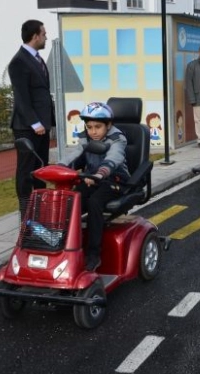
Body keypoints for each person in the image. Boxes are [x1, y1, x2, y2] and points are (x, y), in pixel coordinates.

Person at [57, 102, 131, 271]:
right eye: (89, 127)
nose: (93, 132)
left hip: (115, 180)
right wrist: (59, 166)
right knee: (72, 201)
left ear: (109, 125)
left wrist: (99, 174)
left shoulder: (118, 138)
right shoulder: (86, 136)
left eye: (98, 127)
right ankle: (63, 248)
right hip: (92, 178)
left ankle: (94, 254)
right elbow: (75, 153)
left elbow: (114, 156)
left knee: (95, 202)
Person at [8, 19, 55, 218]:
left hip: (41, 126)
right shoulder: (19, 62)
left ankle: (40, 207)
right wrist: (34, 123)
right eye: (43, 34)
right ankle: (25, 209)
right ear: (35, 36)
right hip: (28, 127)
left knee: (40, 167)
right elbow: (22, 97)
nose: (45, 37)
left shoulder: (36, 58)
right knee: (26, 169)